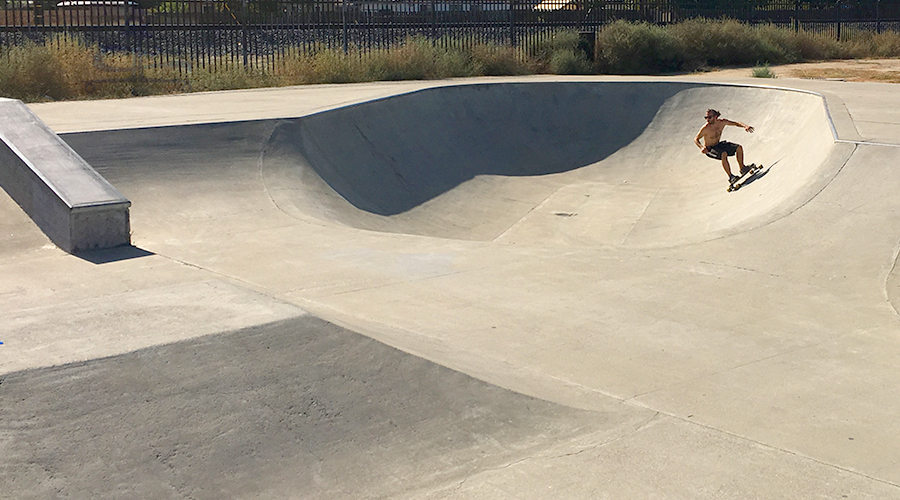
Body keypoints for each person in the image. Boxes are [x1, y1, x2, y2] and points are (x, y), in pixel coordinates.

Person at [694, 109, 755, 185]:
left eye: (709, 117)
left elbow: (735, 123)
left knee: (739, 147)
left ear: (715, 117)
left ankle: (742, 168)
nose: (707, 119)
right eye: (706, 117)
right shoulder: (705, 128)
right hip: (710, 149)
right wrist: (701, 147)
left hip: (718, 145)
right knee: (723, 154)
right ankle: (731, 177)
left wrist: (745, 126)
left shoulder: (722, 122)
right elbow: (696, 139)